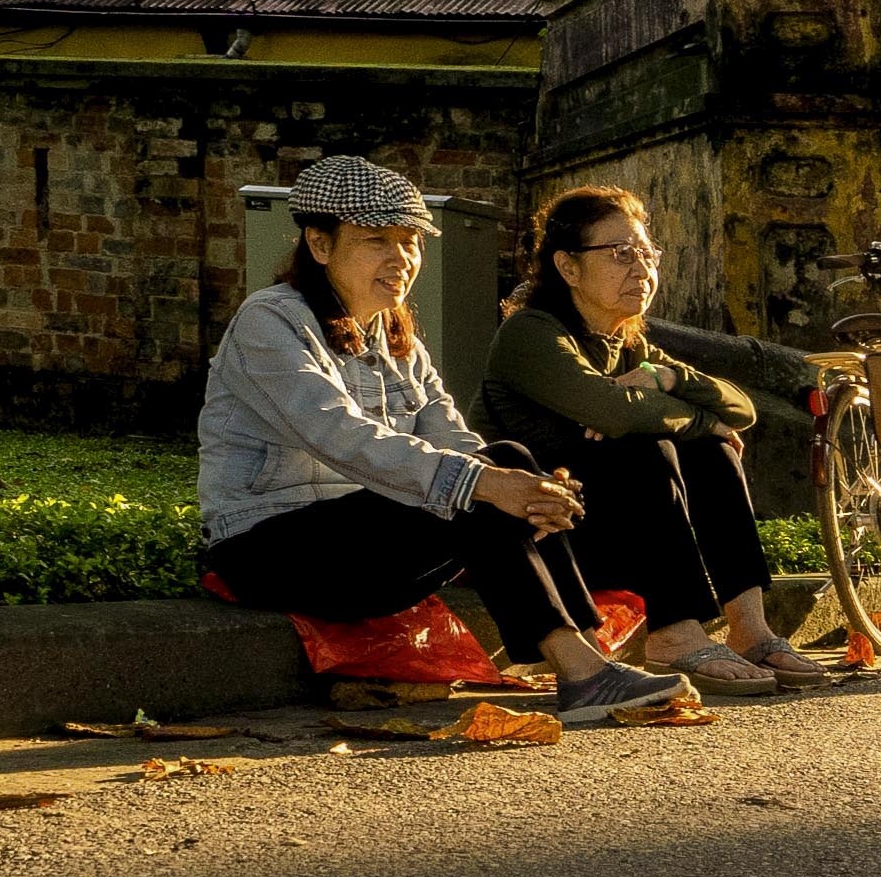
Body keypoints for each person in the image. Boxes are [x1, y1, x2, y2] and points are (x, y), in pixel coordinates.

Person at [194, 154, 699, 723]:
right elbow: (339, 433)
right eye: (376, 241)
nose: (400, 258)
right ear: (319, 244)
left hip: (368, 539)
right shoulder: (270, 321)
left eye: (410, 242)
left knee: (506, 460)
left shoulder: (392, 329)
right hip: (271, 546)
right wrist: (484, 483)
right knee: (479, 484)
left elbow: (448, 430)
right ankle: (582, 675)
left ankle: (583, 656)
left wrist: (525, 489)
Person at [480, 183, 860, 694]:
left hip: (615, 524)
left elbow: (740, 411)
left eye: (647, 253)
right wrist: (695, 419)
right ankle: (673, 634)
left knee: (713, 450)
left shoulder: (628, 345)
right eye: (620, 254)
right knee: (651, 445)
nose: (642, 269)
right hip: (544, 533)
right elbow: (611, 409)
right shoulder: (531, 334)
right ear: (568, 267)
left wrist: (672, 383)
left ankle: (751, 629)